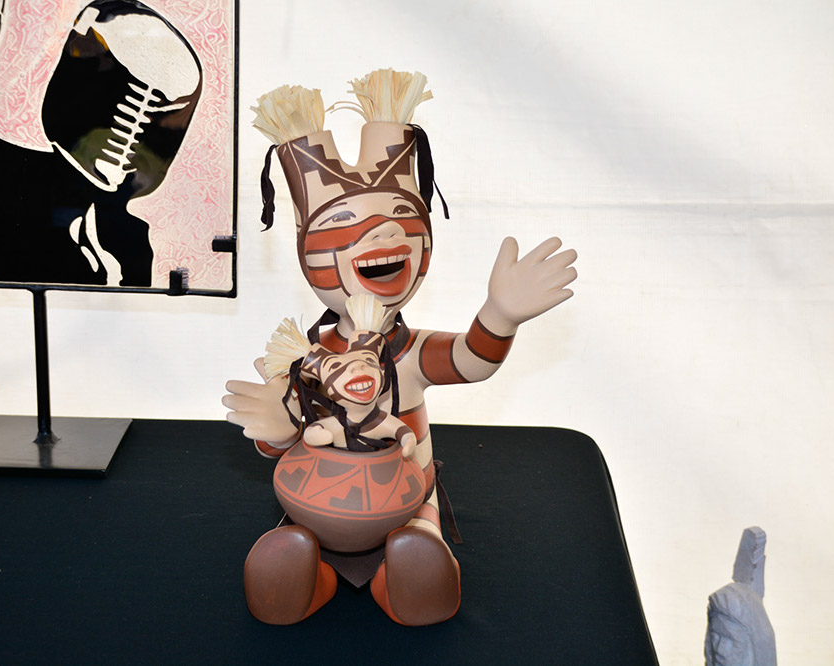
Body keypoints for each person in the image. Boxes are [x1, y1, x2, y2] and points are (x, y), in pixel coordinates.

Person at [224, 72, 577, 626]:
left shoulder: (409, 351)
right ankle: (306, 576)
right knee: (301, 535)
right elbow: (280, 437)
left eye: (400, 218)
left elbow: (469, 360)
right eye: (343, 224)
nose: (385, 236)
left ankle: (408, 574)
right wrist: (278, 428)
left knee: (416, 535)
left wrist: (499, 316)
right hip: (320, 500)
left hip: (408, 495)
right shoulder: (306, 357)